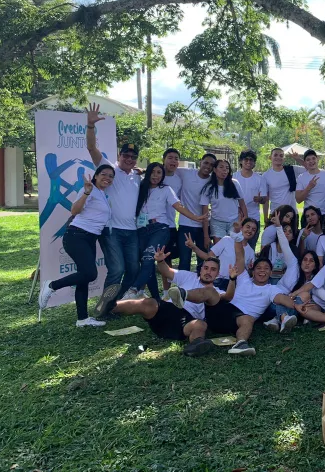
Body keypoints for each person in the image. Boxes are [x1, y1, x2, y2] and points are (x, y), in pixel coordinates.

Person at [103, 249, 227, 356]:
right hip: (168, 309)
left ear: (218, 274)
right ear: (200, 269)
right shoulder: (188, 276)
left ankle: (196, 345)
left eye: (213, 270)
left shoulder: (217, 291)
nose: (208, 272)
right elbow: (166, 271)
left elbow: (225, 299)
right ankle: (110, 306)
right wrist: (161, 261)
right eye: (206, 268)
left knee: (200, 325)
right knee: (148, 303)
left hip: (186, 321)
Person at [39, 165, 115, 327]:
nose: (107, 178)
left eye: (110, 176)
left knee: (84, 277)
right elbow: (74, 210)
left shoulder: (102, 194)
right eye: (104, 174)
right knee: (90, 273)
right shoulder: (89, 190)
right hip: (76, 236)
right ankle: (52, 285)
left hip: (89, 238)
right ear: (95, 176)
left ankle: (82, 319)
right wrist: (86, 192)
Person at [85, 103, 141, 302]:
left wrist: (140, 170)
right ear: (119, 155)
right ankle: (104, 306)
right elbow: (91, 147)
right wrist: (91, 126)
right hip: (111, 230)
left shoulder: (137, 176)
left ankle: (116, 302)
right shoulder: (109, 168)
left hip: (132, 231)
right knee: (117, 269)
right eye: (126, 155)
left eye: (133, 157)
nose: (129, 158)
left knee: (134, 269)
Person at [202, 256, 306, 355]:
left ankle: (241, 344)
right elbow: (240, 256)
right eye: (258, 268)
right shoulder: (244, 280)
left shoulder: (271, 289)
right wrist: (238, 239)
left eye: (266, 268)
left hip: (237, 322)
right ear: (253, 271)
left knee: (248, 320)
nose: (262, 271)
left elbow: (282, 299)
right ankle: (186, 295)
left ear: (270, 272)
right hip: (222, 311)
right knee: (210, 293)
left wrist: (296, 306)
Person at [133, 162, 206, 300]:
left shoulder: (166, 189)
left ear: (163, 175)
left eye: (159, 173)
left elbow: (178, 206)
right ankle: (156, 300)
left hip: (159, 228)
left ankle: (134, 289)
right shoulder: (140, 186)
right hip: (141, 229)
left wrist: (195, 217)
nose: (155, 175)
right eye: (153, 172)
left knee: (149, 258)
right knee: (146, 262)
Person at [182, 218, 257, 290]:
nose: (250, 230)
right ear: (241, 228)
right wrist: (193, 247)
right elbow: (208, 257)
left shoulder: (251, 252)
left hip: (236, 284)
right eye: (248, 227)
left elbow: (248, 273)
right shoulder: (226, 240)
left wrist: (250, 269)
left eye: (253, 230)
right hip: (218, 281)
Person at [176, 153, 216, 271]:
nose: (208, 166)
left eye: (212, 165)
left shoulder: (212, 181)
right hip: (185, 224)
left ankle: (201, 287)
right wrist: (142, 170)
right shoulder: (186, 173)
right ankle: (182, 289)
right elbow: (167, 167)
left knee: (203, 261)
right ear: (200, 162)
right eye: (206, 163)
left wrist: (206, 235)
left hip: (204, 227)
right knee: (184, 259)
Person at [200, 160, 247, 241]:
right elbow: (205, 212)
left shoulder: (235, 184)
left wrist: (244, 220)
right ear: (214, 169)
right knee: (219, 249)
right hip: (217, 223)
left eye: (227, 168)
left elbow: (242, 203)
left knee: (233, 249)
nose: (224, 170)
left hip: (234, 222)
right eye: (221, 167)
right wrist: (206, 236)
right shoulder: (209, 187)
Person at [235, 149, 267, 249]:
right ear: (241, 161)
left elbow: (264, 199)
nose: (249, 162)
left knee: (250, 248)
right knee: (234, 248)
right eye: (246, 159)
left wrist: (260, 199)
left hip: (253, 219)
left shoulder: (260, 179)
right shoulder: (233, 177)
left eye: (251, 160)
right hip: (236, 218)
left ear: (254, 163)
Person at [296, 148, 325, 216]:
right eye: (308, 160)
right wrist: (309, 187)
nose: (311, 161)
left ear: (317, 159)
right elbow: (298, 200)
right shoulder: (301, 177)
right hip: (309, 215)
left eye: (313, 158)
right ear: (305, 162)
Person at [161, 148, 183, 275]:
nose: (173, 161)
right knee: (146, 259)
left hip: (170, 224)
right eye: (170, 158)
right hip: (151, 224)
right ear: (163, 160)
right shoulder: (156, 175)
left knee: (167, 258)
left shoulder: (178, 180)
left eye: (176, 158)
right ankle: (140, 290)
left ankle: (166, 292)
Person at [262, 147, 299, 218]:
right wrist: (266, 218)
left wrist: (297, 159)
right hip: (275, 213)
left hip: (292, 213)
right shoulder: (265, 175)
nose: (278, 157)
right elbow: (266, 199)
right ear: (270, 157)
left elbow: (308, 168)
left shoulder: (291, 170)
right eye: (275, 155)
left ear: (284, 158)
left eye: (281, 156)